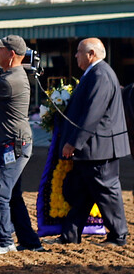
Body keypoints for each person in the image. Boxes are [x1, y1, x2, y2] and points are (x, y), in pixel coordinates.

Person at [52, 38, 130, 246]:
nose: (75, 55)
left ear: (91, 54)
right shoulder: (94, 74)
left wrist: (73, 143)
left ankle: (118, 235)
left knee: (106, 192)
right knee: (82, 193)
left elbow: (92, 114)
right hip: (93, 148)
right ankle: (70, 236)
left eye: (79, 52)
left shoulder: (100, 75)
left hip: (100, 148)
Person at [0, 35, 44, 254]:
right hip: (14, 143)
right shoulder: (13, 76)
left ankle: (3, 241)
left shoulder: (11, 79)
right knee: (11, 196)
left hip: (12, 144)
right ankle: (30, 242)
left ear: (11, 54)